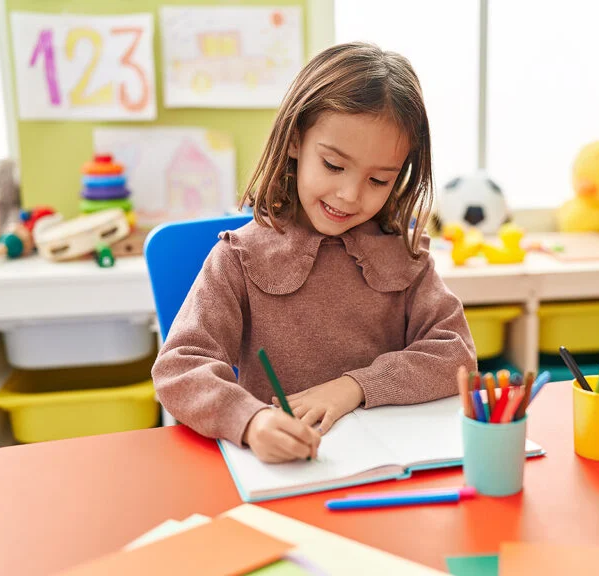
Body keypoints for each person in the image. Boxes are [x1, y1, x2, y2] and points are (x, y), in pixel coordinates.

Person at [152, 42, 476, 463]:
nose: (349, 195)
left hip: (386, 468)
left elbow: (456, 353)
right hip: (283, 471)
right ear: (295, 140)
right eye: (334, 166)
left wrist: (355, 386)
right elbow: (180, 366)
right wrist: (249, 421)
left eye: (379, 180)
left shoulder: (404, 256)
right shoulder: (238, 258)